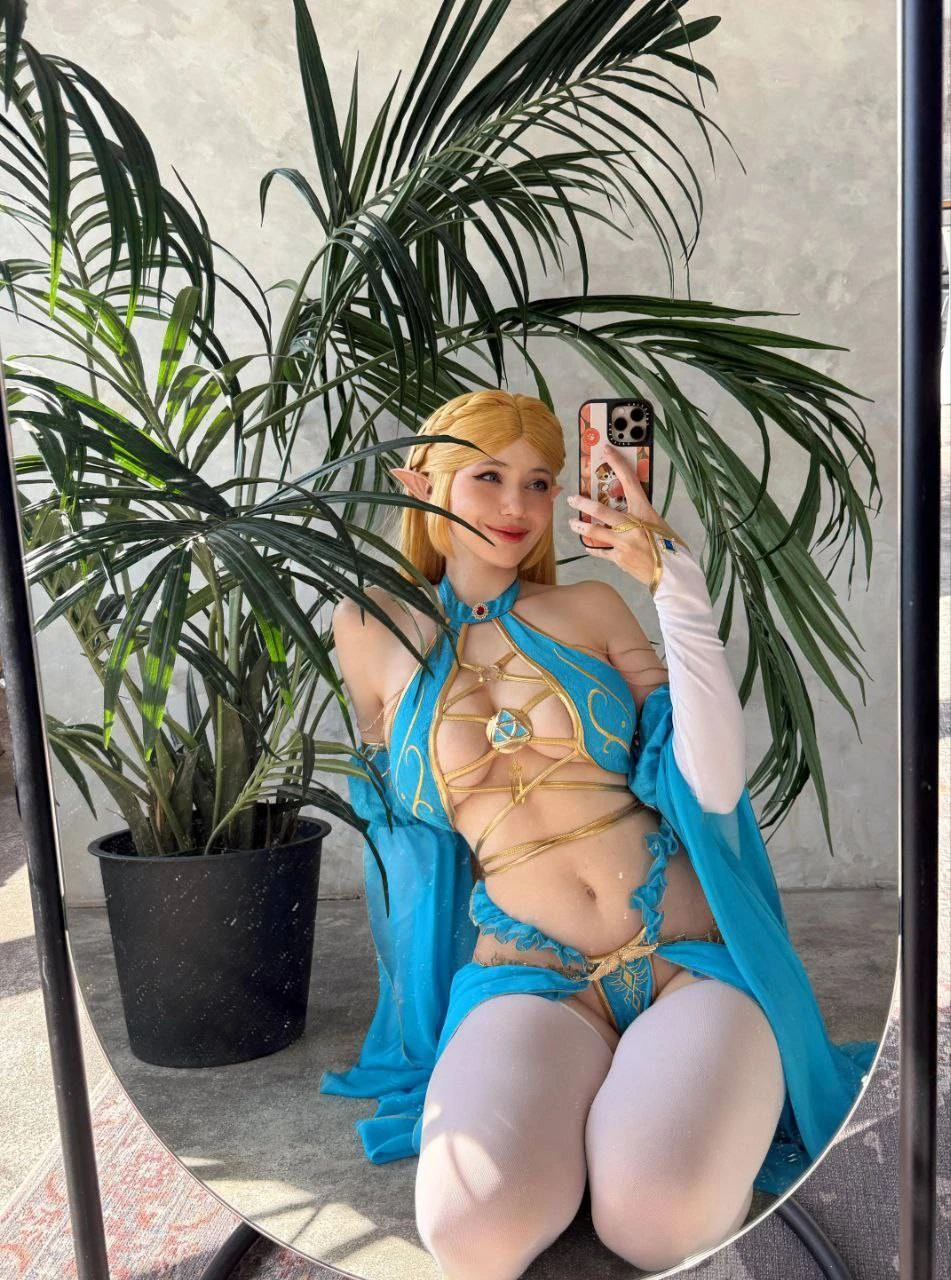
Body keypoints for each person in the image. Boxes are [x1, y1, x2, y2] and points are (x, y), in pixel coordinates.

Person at [321, 389, 877, 1278]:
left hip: (685, 960)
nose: (517, 504)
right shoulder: (367, 629)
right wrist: (411, 1011)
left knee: (655, 1224)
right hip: (527, 977)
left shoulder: (588, 607)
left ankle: (645, 1118)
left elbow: (711, 784)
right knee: (472, 1233)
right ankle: (606, 1113)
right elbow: (404, 840)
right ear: (419, 482)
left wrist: (673, 583)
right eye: (488, 476)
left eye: (540, 481)